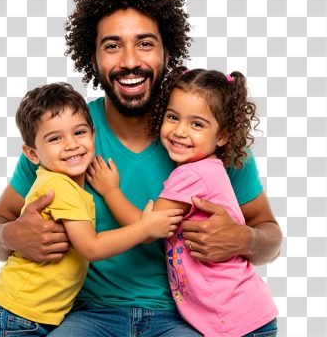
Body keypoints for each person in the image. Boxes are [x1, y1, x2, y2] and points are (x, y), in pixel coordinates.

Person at [0, 0, 282, 336]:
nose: (129, 61)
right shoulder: (67, 137)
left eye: (145, 43)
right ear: (92, 58)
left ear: (167, 52)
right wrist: (9, 237)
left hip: (182, 318)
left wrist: (246, 240)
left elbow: (269, 233)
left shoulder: (206, 140)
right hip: (89, 314)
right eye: (112, 46)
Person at [0, 82, 183, 336]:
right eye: (55, 138)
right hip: (13, 316)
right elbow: (91, 247)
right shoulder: (60, 188)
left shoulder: (68, 186)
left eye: (79, 133)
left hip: (29, 315)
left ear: (93, 134)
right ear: (32, 154)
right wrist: (145, 227)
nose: (71, 144)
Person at [87, 67, 279, 336]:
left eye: (197, 124)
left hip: (237, 321)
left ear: (222, 136)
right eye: (173, 117)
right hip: (242, 316)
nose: (179, 131)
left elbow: (146, 229)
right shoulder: (208, 168)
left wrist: (110, 191)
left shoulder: (191, 175)